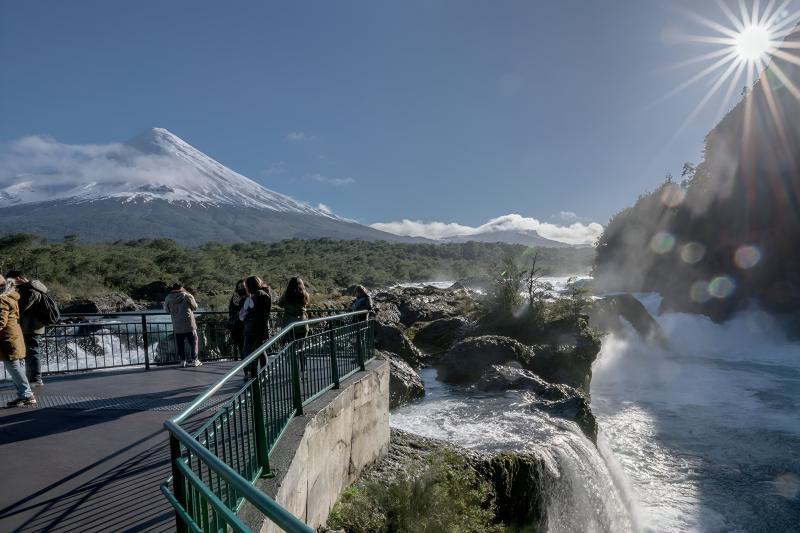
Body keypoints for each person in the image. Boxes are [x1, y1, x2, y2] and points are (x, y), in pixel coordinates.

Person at [5, 270, 48, 386]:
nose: (11, 283)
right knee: (30, 352)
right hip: (32, 326)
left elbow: (21, 308)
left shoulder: (30, 290)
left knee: (32, 352)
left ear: (18, 278)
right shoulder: (31, 289)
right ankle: (32, 378)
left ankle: (35, 379)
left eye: (11, 280)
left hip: (31, 326)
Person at [0, 278, 36, 407]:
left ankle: (27, 395)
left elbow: (1, 321)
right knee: (17, 367)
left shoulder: (1, 298)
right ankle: (23, 395)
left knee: (14, 367)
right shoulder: (11, 295)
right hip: (15, 335)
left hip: (7, 338)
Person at [163, 283, 202, 367]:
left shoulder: (168, 298)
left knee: (180, 344)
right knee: (194, 341)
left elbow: (167, 310)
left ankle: (182, 361)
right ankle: (195, 360)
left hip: (177, 324)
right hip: (189, 324)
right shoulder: (187, 296)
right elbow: (195, 307)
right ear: (181, 287)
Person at [240, 276, 271, 379]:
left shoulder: (257, 295)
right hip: (261, 328)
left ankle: (253, 376)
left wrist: (245, 314)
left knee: (248, 351)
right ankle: (264, 374)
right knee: (261, 352)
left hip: (253, 328)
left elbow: (253, 311)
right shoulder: (264, 293)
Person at [278, 276, 310, 373]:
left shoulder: (287, 294)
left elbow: (280, 304)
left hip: (290, 325)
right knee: (302, 347)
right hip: (302, 325)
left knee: (292, 349)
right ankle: (303, 370)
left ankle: (294, 370)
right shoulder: (304, 294)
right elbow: (307, 303)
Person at [226, 280, 246, 361]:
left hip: (246, 323)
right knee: (240, 344)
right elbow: (231, 311)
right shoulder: (235, 297)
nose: (241, 289)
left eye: (243, 287)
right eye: (239, 287)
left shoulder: (249, 296)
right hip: (237, 325)